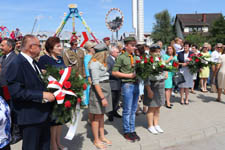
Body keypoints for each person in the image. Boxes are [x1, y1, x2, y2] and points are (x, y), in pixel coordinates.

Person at [6, 34, 55, 150]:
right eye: (39, 46)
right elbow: (16, 92)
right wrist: (42, 94)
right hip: (30, 116)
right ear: (31, 47)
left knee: (44, 146)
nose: (41, 49)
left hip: (41, 114)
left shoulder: (33, 62)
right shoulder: (16, 63)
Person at [38, 37, 67, 150]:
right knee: (53, 121)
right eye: (58, 46)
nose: (61, 48)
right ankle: (53, 145)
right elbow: (43, 76)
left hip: (62, 92)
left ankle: (58, 142)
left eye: (61, 45)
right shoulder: (44, 59)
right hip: (51, 93)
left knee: (60, 121)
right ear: (50, 48)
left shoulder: (60, 58)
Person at [112, 37, 140, 142]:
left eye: (135, 45)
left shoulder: (135, 57)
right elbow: (114, 72)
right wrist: (128, 75)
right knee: (127, 110)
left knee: (133, 109)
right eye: (132, 45)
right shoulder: (121, 57)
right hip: (127, 85)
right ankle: (127, 131)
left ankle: (132, 130)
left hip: (136, 84)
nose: (134, 47)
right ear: (126, 46)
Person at [88, 43, 113, 149]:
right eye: (106, 52)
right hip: (99, 90)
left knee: (102, 115)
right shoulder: (94, 64)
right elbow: (96, 82)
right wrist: (102, 98)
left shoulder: (101, 62)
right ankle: (96, 140)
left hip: (105, 88)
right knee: (96, 116)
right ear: (103, 53)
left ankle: (102, 136)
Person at [0, 38, 22, 145]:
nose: (1, 47)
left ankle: (16, 133)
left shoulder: (16, 58)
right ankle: (8, 131)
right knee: (6, 110)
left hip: (11, 89)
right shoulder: (2, 57)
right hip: (2, 89)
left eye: (3, 45)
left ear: (10, 47)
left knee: (14, 110)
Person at [144, 44, 168, 134]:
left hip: (161, 84)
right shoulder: (147, 61)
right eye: (155, 52)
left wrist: (166, 73)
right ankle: (150, 126)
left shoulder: (160, 59)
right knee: (151, 107)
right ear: (151, 52)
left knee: (158, 106)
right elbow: (145, 77)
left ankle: (156, 124)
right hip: (152, 85)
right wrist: (149, 89)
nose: (158, 53)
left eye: (158, 51)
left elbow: (165, 68)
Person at [107, 46, 122, 122]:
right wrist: (116, 74)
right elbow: (108, 71)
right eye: (117, 52)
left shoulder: (116, 59)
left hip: (118, 82)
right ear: (112, 52)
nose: (118, 54)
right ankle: (110, 114)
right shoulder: (108, 60)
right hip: (112, 83)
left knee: (117, 99)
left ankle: (115, 111)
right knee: (112, 99)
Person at [83, 41, 96, 106]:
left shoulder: (93, 56)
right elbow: (86, 68)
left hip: (94, 76)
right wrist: (89, 78)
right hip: (90, 77)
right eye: (93, 47)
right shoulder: (87, 57)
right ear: (89, 48)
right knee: (89, 92)